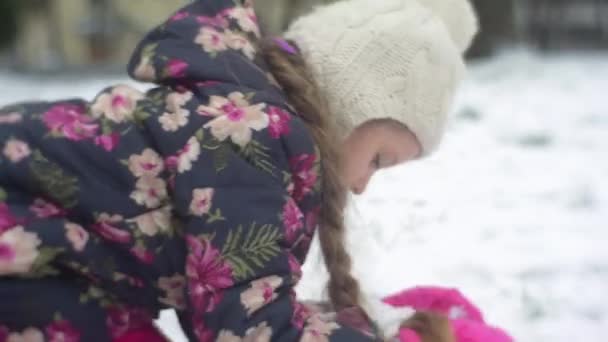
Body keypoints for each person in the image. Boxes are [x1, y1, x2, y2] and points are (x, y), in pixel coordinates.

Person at [0, 0, 477, 341]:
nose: (360, 184)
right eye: (378, 159)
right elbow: (247, 331)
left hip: (52, 268)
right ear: (351, 106)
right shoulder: (248, 139)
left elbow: (233, 301)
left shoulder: (251, 126)